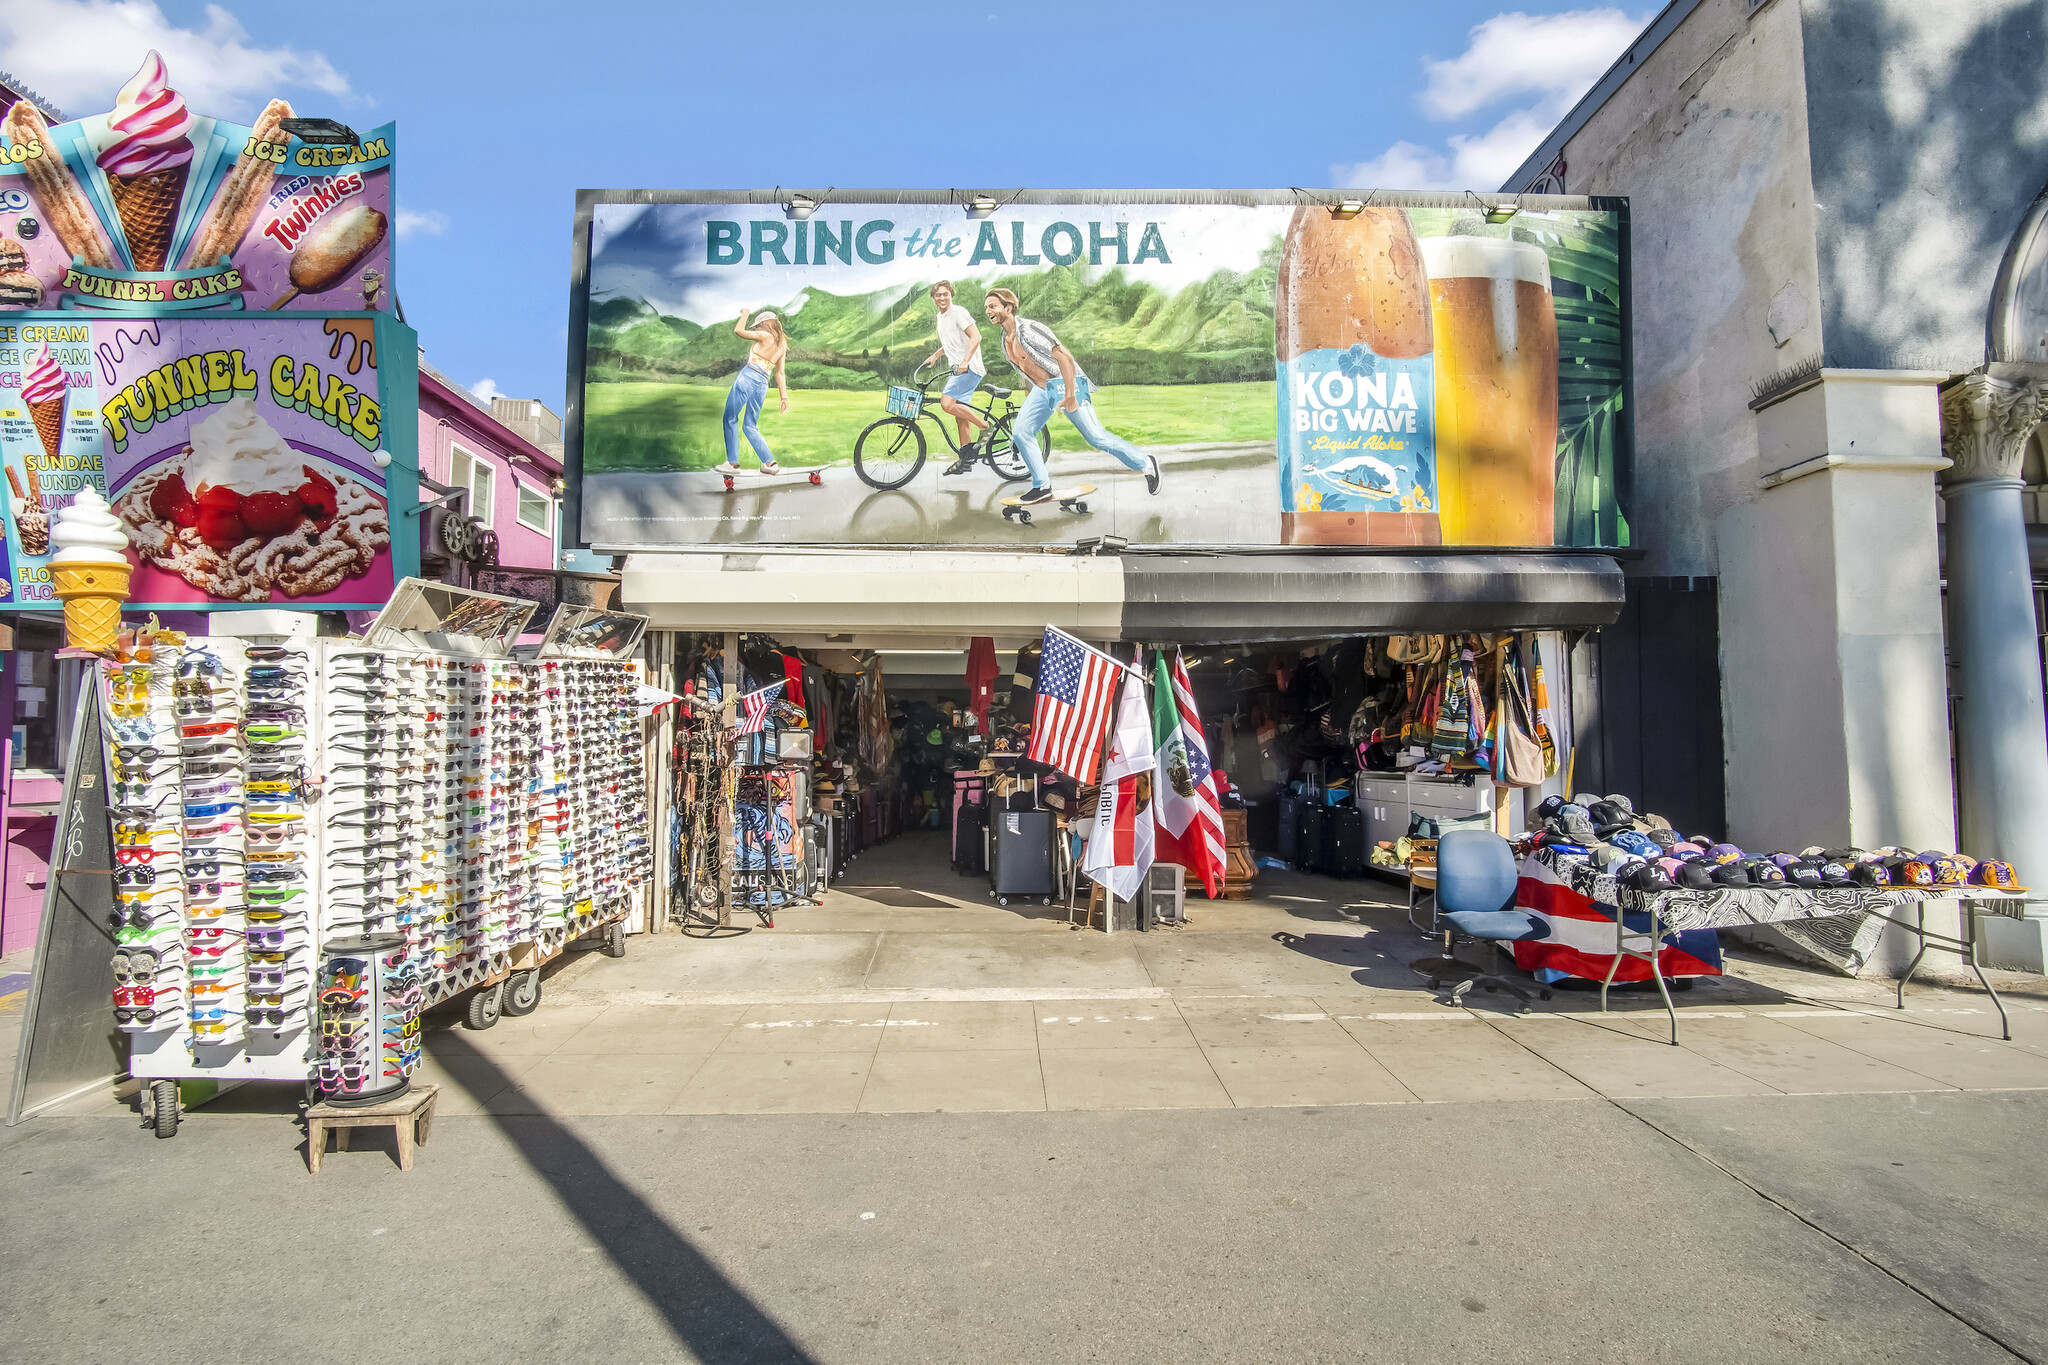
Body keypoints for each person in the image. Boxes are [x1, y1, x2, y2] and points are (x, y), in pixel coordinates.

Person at [983, 288, 1159, 505]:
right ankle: (1042, 486)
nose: (987, 311)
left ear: (1008, 307)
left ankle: (1145, 462)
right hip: (1043, 390)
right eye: (986, 307)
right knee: (1021, 432)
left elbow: (1064, 357)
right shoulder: (1005, 338)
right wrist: (1033, 399)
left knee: (1096, 437)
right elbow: (1028, 369)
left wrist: (1069, 395)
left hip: (1069, 384)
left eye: (992, 306)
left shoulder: (1029, 330)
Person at [919, 280, 990, 474]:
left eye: (945, 294)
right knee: (960, 415)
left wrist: (966, 361)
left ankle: (985, 426)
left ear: (951, 294)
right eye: (938, 295)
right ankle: (966, 460)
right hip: (958, 368)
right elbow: (952, 342)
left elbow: (976, 336)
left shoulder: (958, 312)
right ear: (933, 298)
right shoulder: (941, 317)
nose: (942, 297)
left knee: (947, 404)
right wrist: (936, 355)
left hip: (969, 368)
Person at [717, 307, 789, 475]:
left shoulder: (765, 335)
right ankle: (770, 463)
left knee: (730, 418)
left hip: (748, 377)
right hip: (763, 383)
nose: (756, 329)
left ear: (765, 325)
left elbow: (739, 330)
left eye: (758, 325)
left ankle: (733, 464)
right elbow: (780, 373)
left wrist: (745, 313)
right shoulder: (782, 344)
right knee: (750, 425)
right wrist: (783, 397)